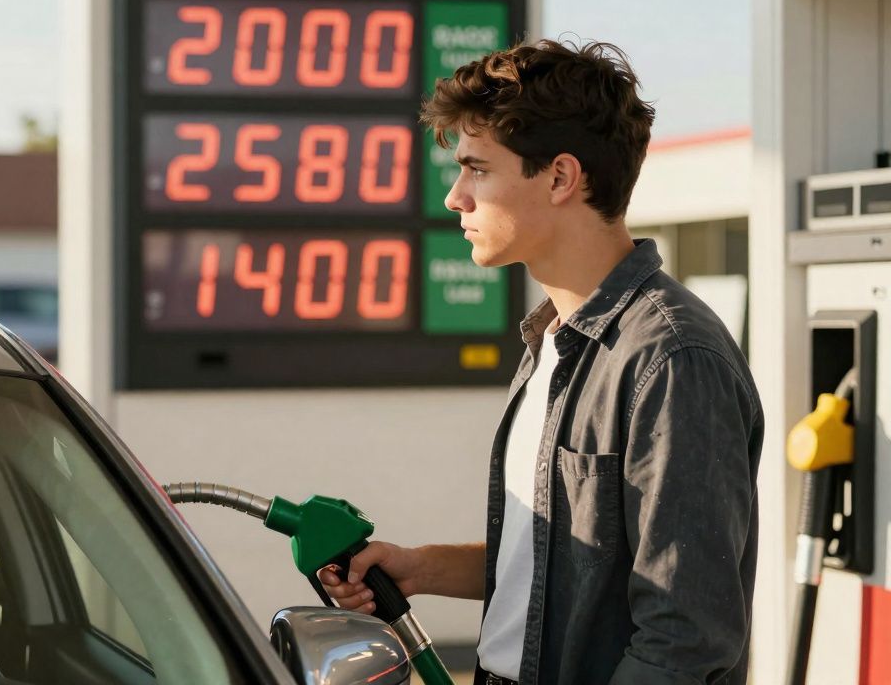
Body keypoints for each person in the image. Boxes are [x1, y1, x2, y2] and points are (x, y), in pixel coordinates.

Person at [319, 39, 764, 685]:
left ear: (560, 177)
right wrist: (423, 568)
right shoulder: (552, 341)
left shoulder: (671, 360)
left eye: (476, 169)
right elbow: (564, 559)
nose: (456, 198)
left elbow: (683, 641)